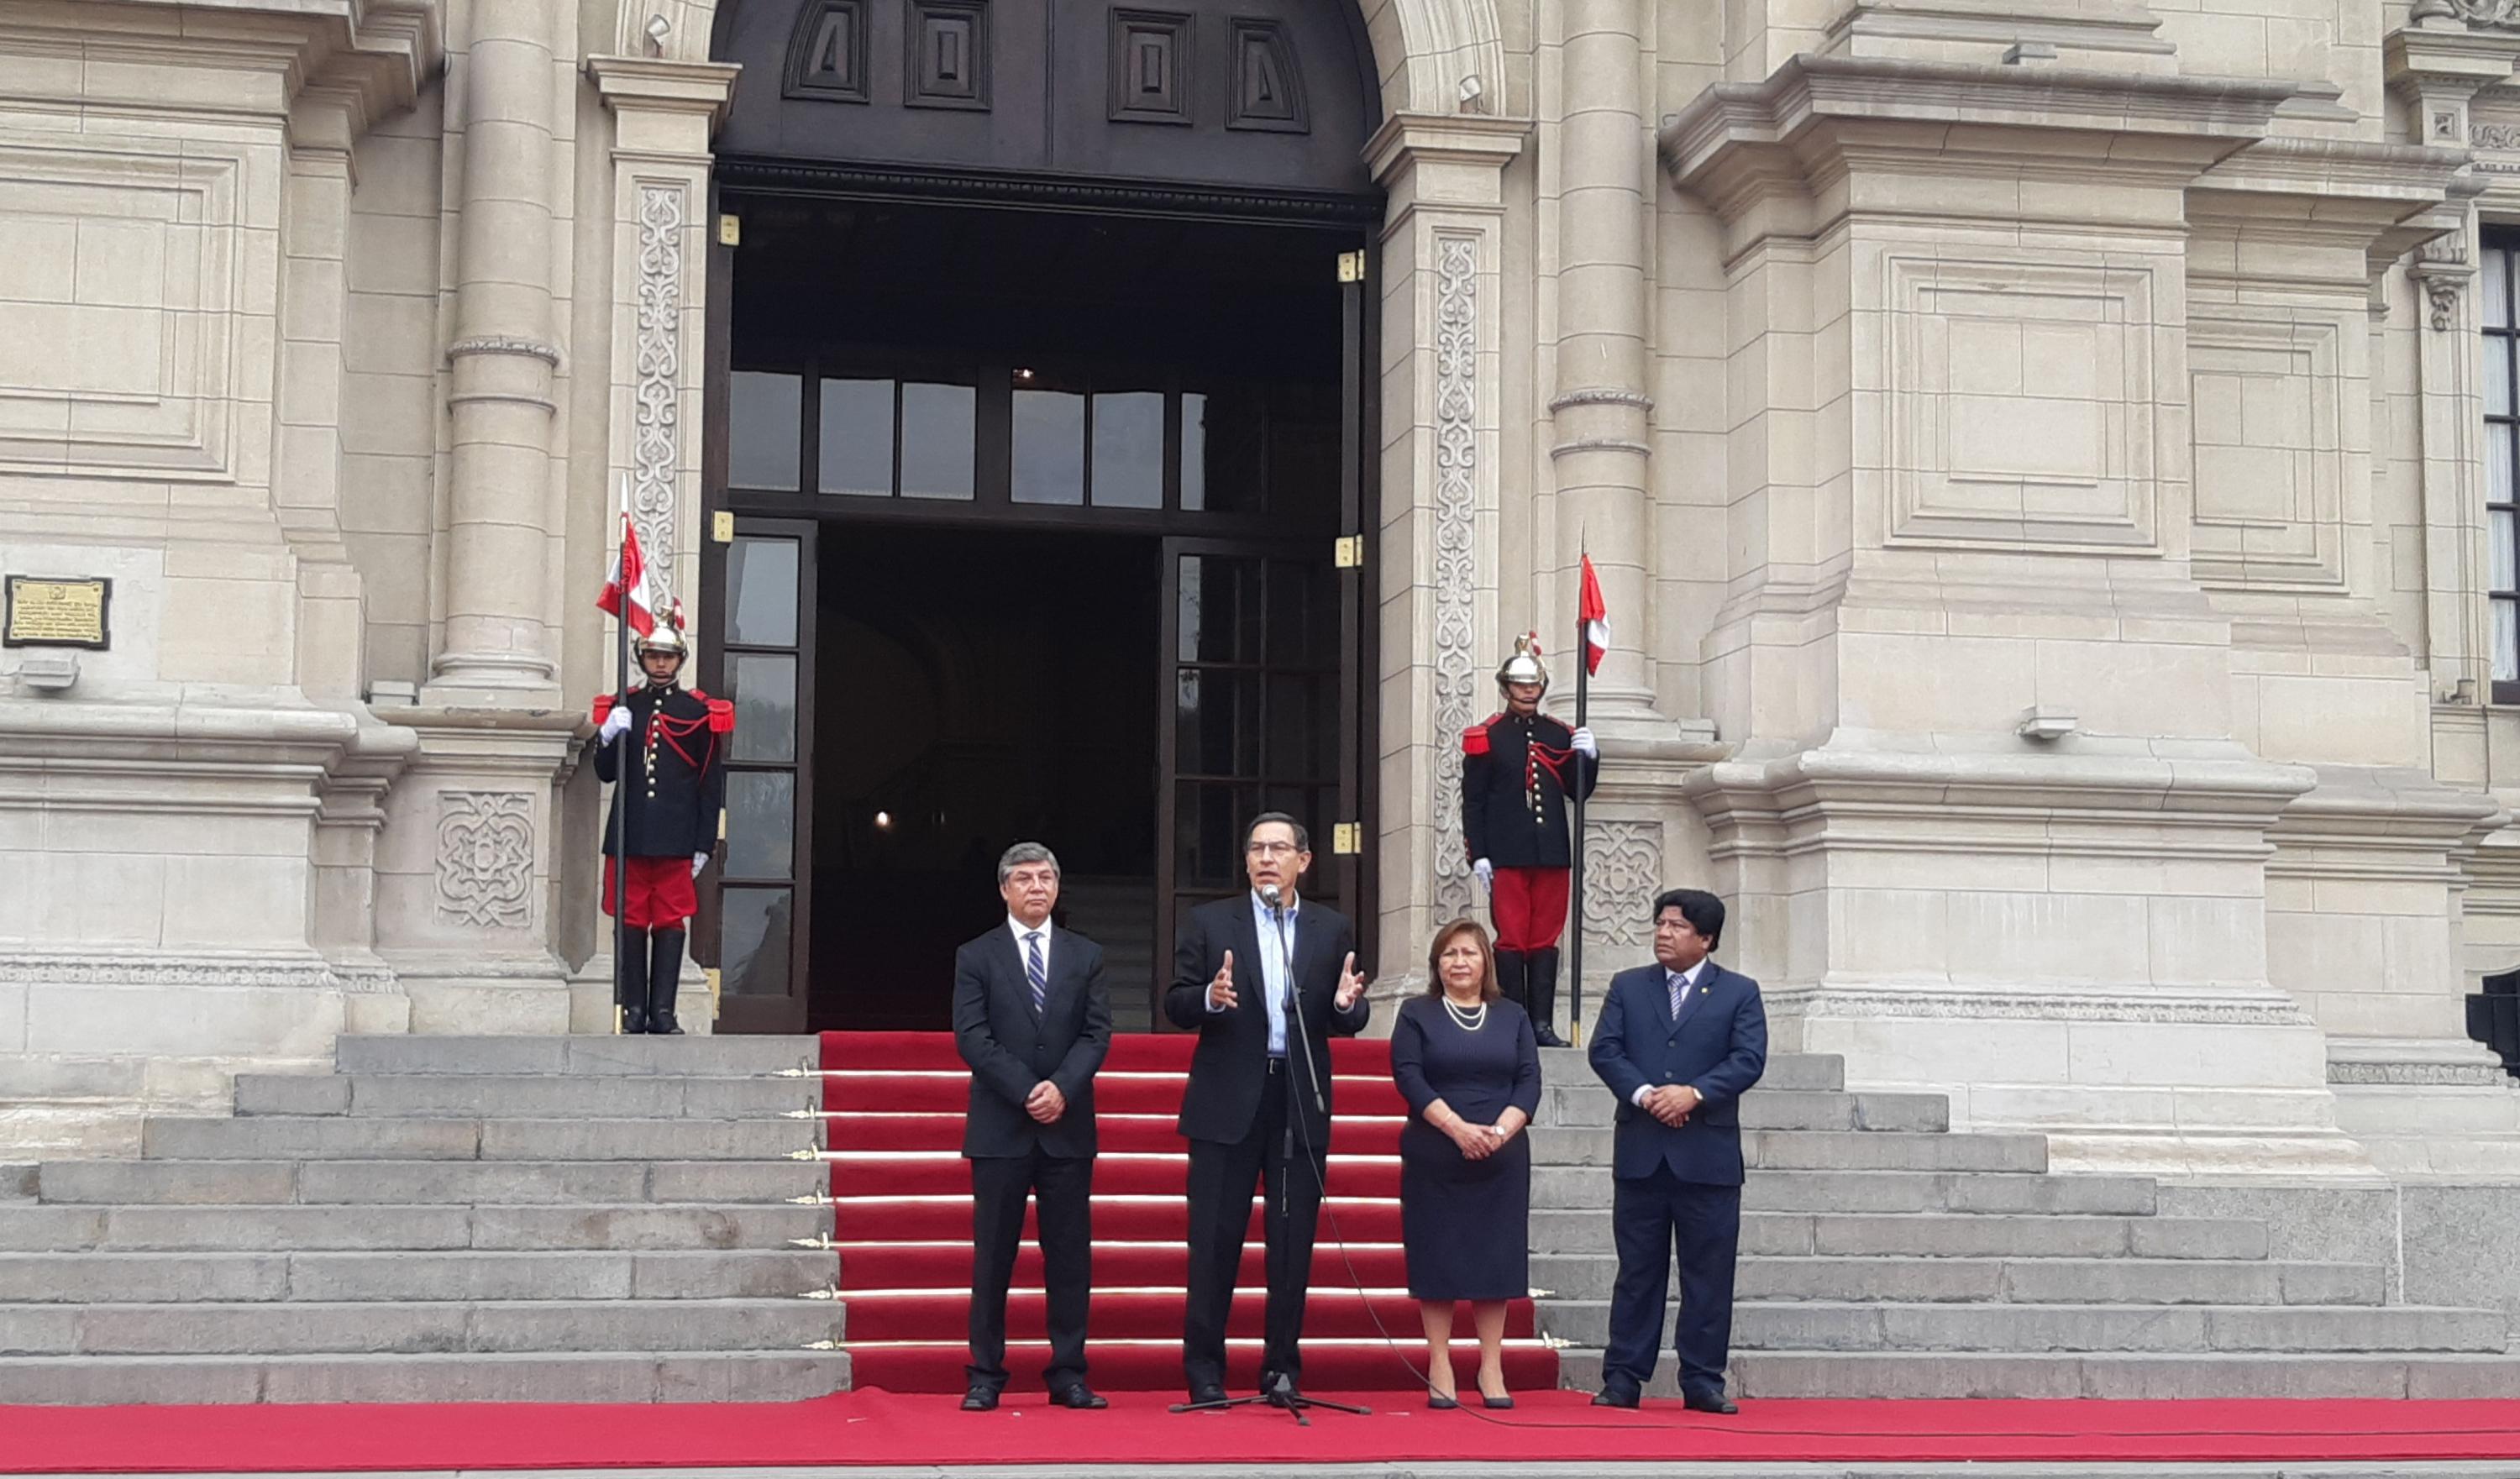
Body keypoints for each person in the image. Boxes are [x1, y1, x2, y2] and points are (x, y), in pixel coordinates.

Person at [1163, 813, 1372, 1406]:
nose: (1265, 858)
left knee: (1291, 1241)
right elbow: (1176, 1000)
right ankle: (1204, 1369)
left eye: (1278, 848)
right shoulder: (1209, 921)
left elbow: (1345, 1017)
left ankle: (1281, 1367)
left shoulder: (1330, 928)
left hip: (1297, 1098)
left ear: (1304, 860)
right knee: (1214, 1240)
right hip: (1226, 1100)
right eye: (1256, 847)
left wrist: (1345, 1004)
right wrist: (1209, 996)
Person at [1585, 888, 1767, 1413]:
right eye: (1661, 924)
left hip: (1707, 1157)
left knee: (1708, 1275)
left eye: (1678, 926)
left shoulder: (1739, 992)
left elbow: (1748, 1058)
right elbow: (1606, 1050)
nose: (1664, 933)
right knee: (1638, 1272)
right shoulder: (1628, 986)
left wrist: (1695, 1092)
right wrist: (1646, 1095)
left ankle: (1703, 1379)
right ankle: (1623, 1378)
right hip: (1643, 1151)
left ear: (1706, 938)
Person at [950, 842, 1113, 1412]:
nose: (1036, 887)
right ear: (1004, 889)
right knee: (993, 1254)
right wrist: (1026, 1090)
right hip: (1001, 1126)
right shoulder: (976, 955)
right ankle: (985, 1372)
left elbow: (1096, 1033)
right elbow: (972, 1037)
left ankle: (1069, 1371)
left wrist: (1062, 1087)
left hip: (1068, 1127)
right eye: (1024, 878)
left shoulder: (1086, 954)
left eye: (1046, 877)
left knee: (1069, 1255)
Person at [1389, 919, 1540, 1410]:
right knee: (1439, 1257)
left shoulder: (1513, 1016)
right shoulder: (1417, 1014)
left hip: (1502, 1154)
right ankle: (1440, 1363)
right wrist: (1457, 1129)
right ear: (1437, 963)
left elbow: (1529, 1081)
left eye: (1469, 953)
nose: (1459, 962)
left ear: (1485, 962)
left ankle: (1491, 1365)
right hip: (1436, 1150)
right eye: (1449, 954)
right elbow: (1409, 1077)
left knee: (1493, 1259)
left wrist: (1497, 1133)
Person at [589, 608, 729, 1035]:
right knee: (630, 922)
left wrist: (704, 843)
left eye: (668, 656)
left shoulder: (698, 712)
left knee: (670, 922)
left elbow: (709, 784)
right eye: (653, 656)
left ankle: (662, 1012)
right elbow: (606, 772)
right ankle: (633, 1010)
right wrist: (607, 736)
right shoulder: (624, 705)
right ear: (642, 658)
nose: (661, 663)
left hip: (676, 837)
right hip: (631, 834)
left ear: (680, 660)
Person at [1461, 632, 1597, 1046]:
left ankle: (1541, 1025)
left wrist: (1589, 758)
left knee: (1544, 939)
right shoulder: (1487, 736)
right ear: (1506, 688)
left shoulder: (1559, 734)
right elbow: (1474, 801)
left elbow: (1578, 791)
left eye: (1534, 685)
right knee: (1513, 939)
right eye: (1520, 685)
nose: (1527, 692)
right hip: (1507, 852)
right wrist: (1479, 854)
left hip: (1552, 852)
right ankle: (1515, 1024)